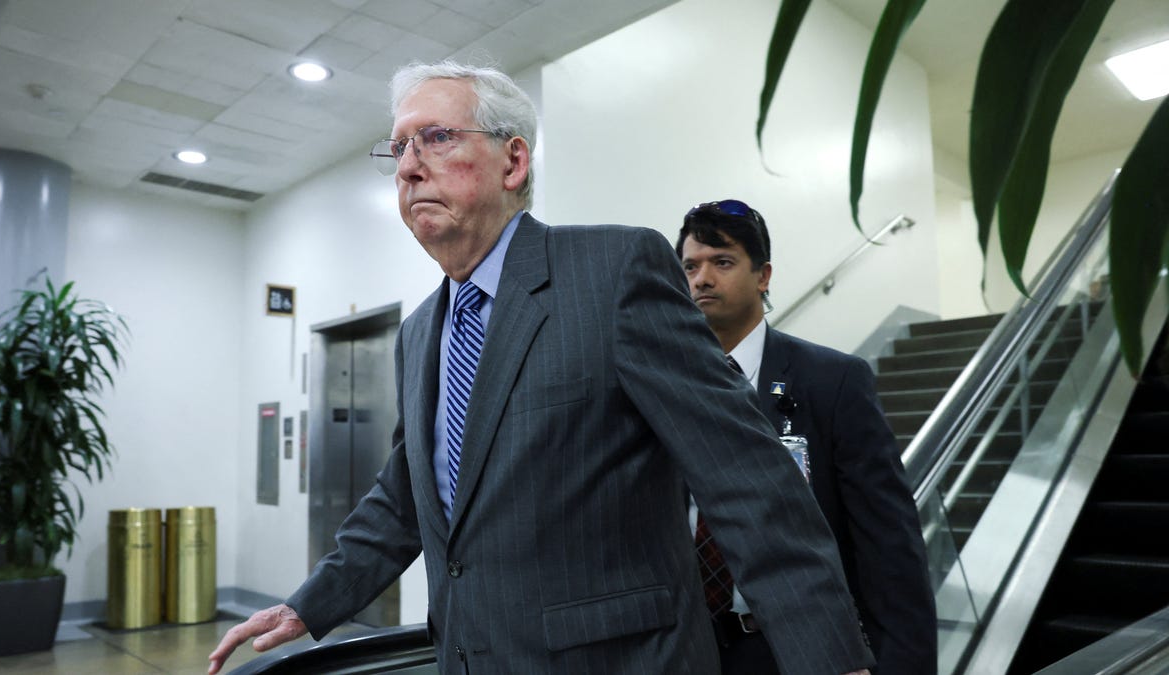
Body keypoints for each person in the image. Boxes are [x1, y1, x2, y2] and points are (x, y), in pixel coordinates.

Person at [208, 61, 873, 675]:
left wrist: (833, 659)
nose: (409, 168)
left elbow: (747, 477)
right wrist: (308, 605)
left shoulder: (613, 273)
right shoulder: (417, 336)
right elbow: (405, 500)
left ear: (513, 160)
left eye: (434, 138)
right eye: (399, 148)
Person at [675, 199, 938, 674]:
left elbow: (888, 546)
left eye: (723, 262)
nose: (702, 279)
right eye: (691, 266)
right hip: (687, 651)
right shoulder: (667, 388)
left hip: (797, 651)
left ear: (763, 276)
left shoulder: (832, 381)